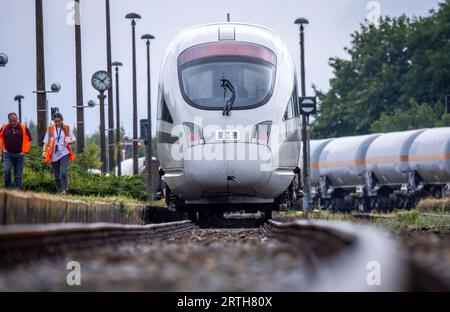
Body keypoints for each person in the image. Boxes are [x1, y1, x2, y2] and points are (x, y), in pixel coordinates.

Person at [43, 112, 76, 194]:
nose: (57, 123)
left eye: (59, 121)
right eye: (55, 121)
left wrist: (68, 143)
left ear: (62, 121)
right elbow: (46, 142)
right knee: (57, 175)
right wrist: (44, 151)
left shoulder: (66, 128)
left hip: (64, 153)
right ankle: (60, 191)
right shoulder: (50, 129)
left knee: (63, 172)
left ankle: (65, 190)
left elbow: (74, 140)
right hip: (54, 154)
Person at [0, 112, 33, 190]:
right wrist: (3, 149)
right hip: (7, 154)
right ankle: (7, 191)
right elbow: (0, 138)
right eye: (11, 121)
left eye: (14, 120)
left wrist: (24, 150)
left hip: (19, 155)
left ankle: (17, 193)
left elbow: (29, 140)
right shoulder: (4, 127)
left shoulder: (23, 127)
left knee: (18, 175)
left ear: (17, 119)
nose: (13, 122)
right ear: (8, 120)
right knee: (6, 171)